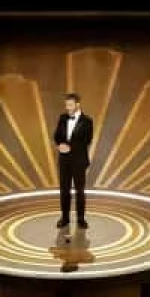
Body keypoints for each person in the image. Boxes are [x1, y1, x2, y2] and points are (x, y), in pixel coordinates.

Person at [52, 92, 95, 229]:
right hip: (64, 160)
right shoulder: (62, 118)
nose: (68, 108)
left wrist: (69, 147)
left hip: (79, 160)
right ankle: (64, 218)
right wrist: (60, 145)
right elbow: (57, 135)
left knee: (79, 190)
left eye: (70, 105)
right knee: (64, 190)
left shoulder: (87, 121)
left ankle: (81, 219)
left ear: (77, 105)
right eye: (66, 105)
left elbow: (87, 140)